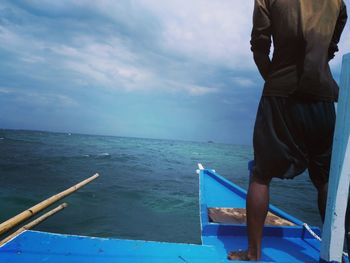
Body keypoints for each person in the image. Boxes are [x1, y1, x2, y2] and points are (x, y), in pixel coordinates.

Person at [228, 0, 348, 261]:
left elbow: (259, 47)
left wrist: (277, 79)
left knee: (261, 175)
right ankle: (337, 251)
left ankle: (253, 253)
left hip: (279, 95)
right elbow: (332, 44)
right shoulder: (336, 2)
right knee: (325, 179)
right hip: (323, 97)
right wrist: (316, 67)